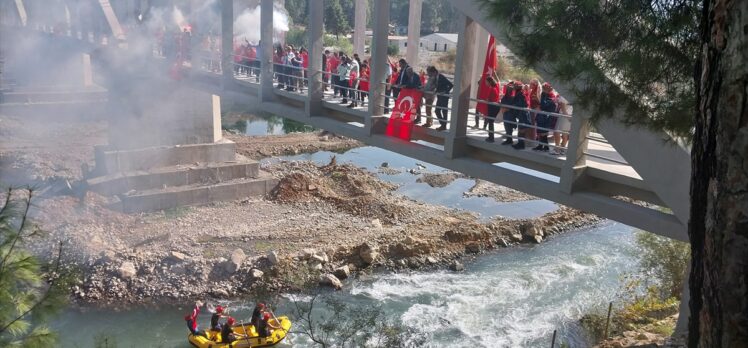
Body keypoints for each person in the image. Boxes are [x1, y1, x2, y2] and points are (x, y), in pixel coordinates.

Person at [534, 83, 558, 152]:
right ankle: (541, 146)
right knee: (540, 131)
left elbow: (544, 105)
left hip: (547, 117)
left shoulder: (552, 96)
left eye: (544, 88)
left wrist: (544, 94)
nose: (543, 89)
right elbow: (542, 105)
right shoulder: (544, 95)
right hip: (542, 116)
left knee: (543, 132)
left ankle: (545, 146)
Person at [428, 66, 453, 131]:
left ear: (434, 72)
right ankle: (443, 124)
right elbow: (438, 86)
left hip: (444, 96)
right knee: (437, 110)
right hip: (439, 96)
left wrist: (445, 91)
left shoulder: (441, 77)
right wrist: (435, 91)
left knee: (444, 110)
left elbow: (450, 85)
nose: (430, 75)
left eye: (431, 73)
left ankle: (444, 126)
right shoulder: (435, 78)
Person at [511, 81, 531, 150]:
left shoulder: (521, 94)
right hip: (522, 114)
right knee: (521, 129)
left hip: (523, 114)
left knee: (522, 130)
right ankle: (520, 144)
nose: (513, 87)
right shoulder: (520, 93)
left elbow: (520, 104)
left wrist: (513, 105)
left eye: (515, 86)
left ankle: (521, 145)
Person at [484, 76, 501, 142]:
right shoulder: (496, 87)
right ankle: (491, 137)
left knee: (490, 122)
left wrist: (486, 100)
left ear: (490, 82)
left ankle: (491, 138)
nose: (486, 83)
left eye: (486, 82)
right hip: (496, 106)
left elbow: (488, 99)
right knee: (491, 122)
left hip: (492, 106)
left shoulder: (491, 88)